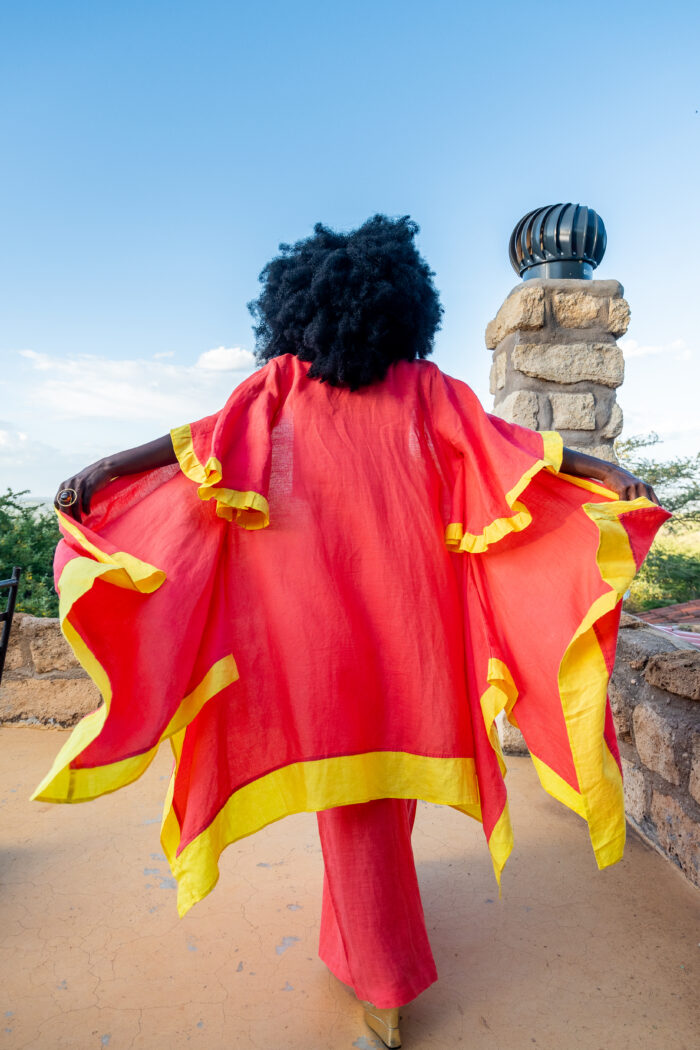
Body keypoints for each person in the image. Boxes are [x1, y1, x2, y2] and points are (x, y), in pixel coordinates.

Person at [37, 215, 666, 1048]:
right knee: (370, 800)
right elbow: (514, 451)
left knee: (364, 799)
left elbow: (197, 446)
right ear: (401, 306)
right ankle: (376, 967)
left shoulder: (303, 388)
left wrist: (113, 464)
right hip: (403, 632)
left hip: (332, 633)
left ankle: (369, 962)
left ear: (298, 308)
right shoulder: (383, 388)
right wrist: (598, 466)